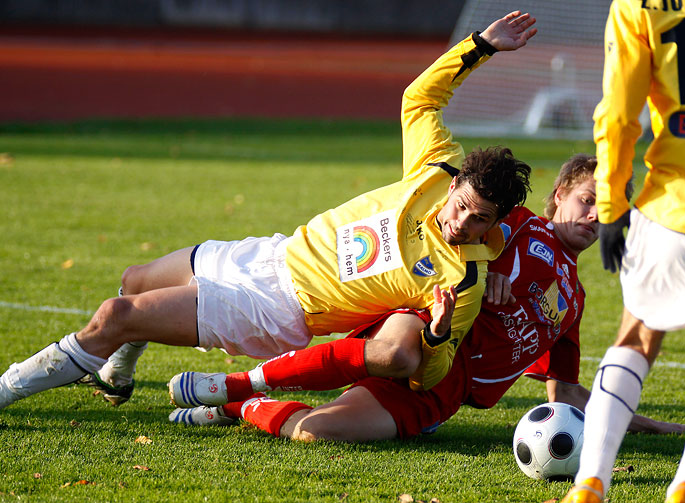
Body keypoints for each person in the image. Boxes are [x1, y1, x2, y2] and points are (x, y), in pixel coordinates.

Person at [0, 12, 535, 411]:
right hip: (272, 252)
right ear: (456, 182)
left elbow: (429, 375)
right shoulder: (434, 170)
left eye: (480, 219)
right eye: (462, 206)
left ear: (496, 222)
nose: (462, 221)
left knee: (116, 316)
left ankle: (7, 389)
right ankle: (115, 371)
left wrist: (438, 334)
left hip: (278, 310)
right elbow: (418, 100)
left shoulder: (464, 277)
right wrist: (480, 45)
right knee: (133, 281)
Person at [167, 155, 683, 441]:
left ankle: (239, 406)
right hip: (420, 326)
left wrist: (665, 427)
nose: (595, 215)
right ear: (559, 196)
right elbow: (459, 227)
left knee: (317, 433)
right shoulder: (514, 225)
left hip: (443, 390)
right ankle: (229, 382)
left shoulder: (574, 302)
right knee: (398, 349)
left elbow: (566, 397)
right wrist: (490, 272)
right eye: (588, 200)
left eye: (609, 208)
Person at [558, 2, 685, 503]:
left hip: (671, 208)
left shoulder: (639, 5)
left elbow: (618, 114)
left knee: (636, 339)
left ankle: (591, 481)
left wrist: (612, 203)